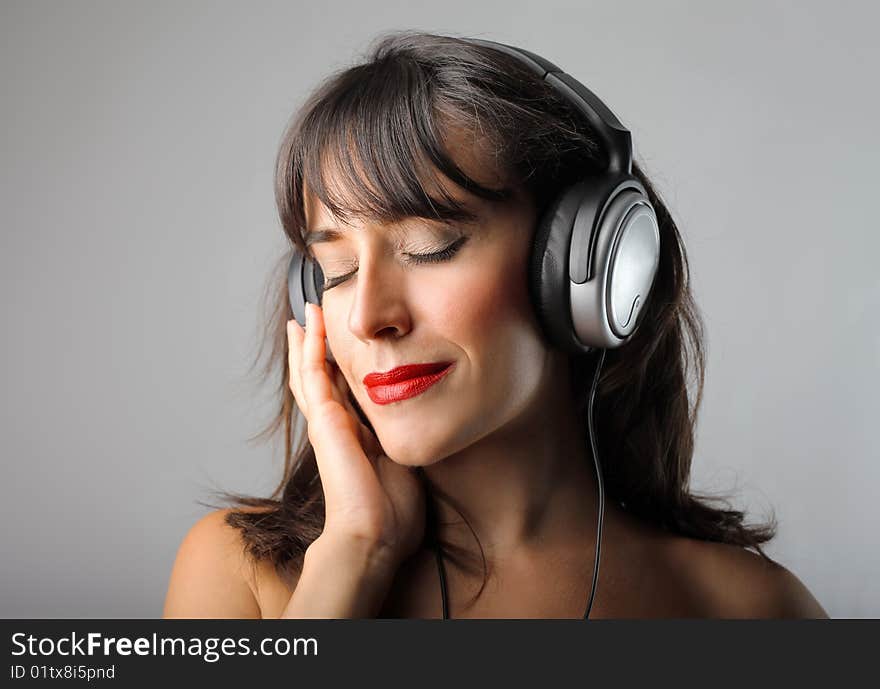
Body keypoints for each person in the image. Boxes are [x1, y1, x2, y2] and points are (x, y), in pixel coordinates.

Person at [163, 31, 827, 619]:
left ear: (585, 263)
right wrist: (354, 556)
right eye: (334, 270)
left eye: (430, 246)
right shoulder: (241, 574)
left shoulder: (749, 611)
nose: (368, 318)